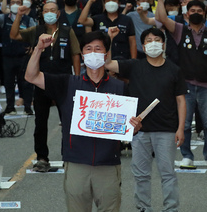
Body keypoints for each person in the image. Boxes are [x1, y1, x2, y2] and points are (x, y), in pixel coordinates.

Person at [24, 30, 141, 212]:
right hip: (76, 163)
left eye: (98, 49)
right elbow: (31, 76)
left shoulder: (120, 87)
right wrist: (38, 49)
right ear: (82, 55)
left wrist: (135, 127)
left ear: (106, 54)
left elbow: (129, 128)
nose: (93, 53)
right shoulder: (67, 83)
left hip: (108, 164)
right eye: (88, 49)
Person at [104, 28, 187, 212]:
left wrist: (181, 128)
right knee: (141, 175)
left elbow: (181, 100)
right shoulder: (134, 66)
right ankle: (143, 208)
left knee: (168, 174)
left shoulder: (174, 70)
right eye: (149, 40)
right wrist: (109, 39)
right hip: (139, 131)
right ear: (143, 46)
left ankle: (171, 209)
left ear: (163, 44)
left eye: (157, 39)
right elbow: (107, 64)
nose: (153, 43)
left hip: (166, 130)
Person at [153, 0, 207, 168]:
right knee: (184, 124)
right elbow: (161, 18)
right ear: (187, 13)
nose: (196, 14)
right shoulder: (179, 30)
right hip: (186, 85)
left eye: (200, 11)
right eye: (193, 11)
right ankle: (186, 156)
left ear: (205, 14)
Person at [10, 2, 82, 171]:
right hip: (41, 81)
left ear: (58, 13)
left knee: (67, 121)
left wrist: (77, 79)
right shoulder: (36, 30)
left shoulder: (67, 31)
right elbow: (14, 35)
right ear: (42, 13)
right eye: (46, 11)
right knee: (40, 121)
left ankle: (69, 155)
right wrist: (19, 15)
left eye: (52, 10)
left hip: (64, 80)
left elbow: (75, 55)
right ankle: (42, 157)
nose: (49, 13)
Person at [0, 0, 36, 115]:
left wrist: (33, 47)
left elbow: (34, 34)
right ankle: (10, 107)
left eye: (18, 2)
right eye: (13, 2)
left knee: (25, 82)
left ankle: (27, 107)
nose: (15, 4)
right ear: (10, 5)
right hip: (7, 56)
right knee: (9, 83)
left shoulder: (28, 19)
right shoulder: (4, 18)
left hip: (23, 56)